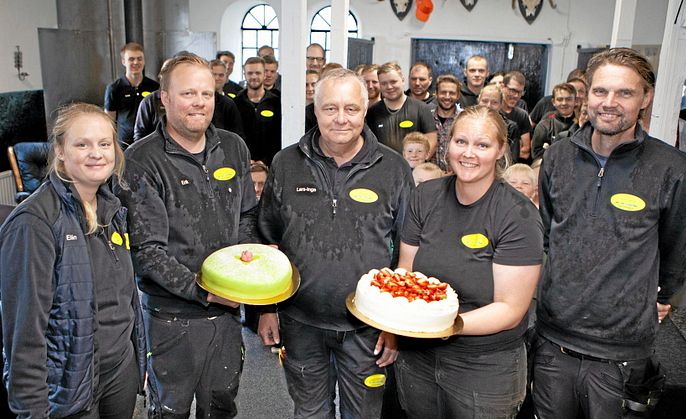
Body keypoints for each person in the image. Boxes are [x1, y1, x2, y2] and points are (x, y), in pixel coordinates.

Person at [533, 48, 686, 419]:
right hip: (553, 342)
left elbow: (678, 248)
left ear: (646, 98)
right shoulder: (558, 157)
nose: (609, 103)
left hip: (621, 354)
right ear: (587, 95)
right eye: (600, 91)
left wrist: (659, 297)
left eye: (624, 93)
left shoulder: (672, 168)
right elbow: (548, 233)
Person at [257, 68, 413, 418]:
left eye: (351, 108)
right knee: (310, 413)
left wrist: (394, 327)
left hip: (369, 329)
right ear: (315, 109)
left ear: (365, 109)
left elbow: (408, 254)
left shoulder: (394, 169)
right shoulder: (286, 163)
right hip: (300, 322)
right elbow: (268, 240)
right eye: (330, 108)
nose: (341, 119)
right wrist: (266, 309)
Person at [118, 53, 258, 418]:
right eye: (188, 93)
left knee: (221, 404)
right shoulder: (141, 160)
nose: (199, 102)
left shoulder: (233, 147)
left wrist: (246, 260)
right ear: (163, 98)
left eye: (207, 94)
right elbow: (147, 252)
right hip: (170, 318)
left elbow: (246, 214)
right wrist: (206, 291)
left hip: (226, 316)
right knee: (170, 411)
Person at [395, 105, 543, 418]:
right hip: (417, 356)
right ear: (448, 143)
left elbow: (511, 309)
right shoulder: (425, 197)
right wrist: (393, 324)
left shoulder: (517, 215)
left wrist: (442, 325)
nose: (469, 153)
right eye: (461, 142)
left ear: (501, 150)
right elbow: (405, 272)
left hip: (485, 367)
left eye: (482, 145)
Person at [1, 103, 146, 418]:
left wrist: (137, 361)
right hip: (69, 386)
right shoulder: (33, 223)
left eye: (104, 144)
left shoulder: (113, 209)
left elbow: (124, 297)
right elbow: (24, 337)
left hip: (120, 372)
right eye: (83, 144)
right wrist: (32, 411)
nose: (97, 153)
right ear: (60, 151)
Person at [366, 61, 437, 156]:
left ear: (403, 80)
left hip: (413, 168)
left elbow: (431, 139)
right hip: (382, 168)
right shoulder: (372, 112)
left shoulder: (421, 108)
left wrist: (420, 161)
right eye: (384, 83)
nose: (389, 87)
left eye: (393, 82)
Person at [104, 42, 160, 148]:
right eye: (131, 59)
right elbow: (108, 121)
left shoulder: (154, 87)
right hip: (124, 145)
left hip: (150, 144)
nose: (136, 62)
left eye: (139, 59)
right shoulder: (114, 88)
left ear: (144, 61)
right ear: (123, 61)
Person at [234, 57, 282, 165]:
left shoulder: (276, 102)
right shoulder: (236, 103)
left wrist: (265, 161)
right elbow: (235, 135)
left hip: (270, 164)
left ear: (264, 74)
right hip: (243, 163)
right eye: (250, 73)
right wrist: (245, 160)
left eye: (258, 73)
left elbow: (278, 136)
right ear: (244, 74)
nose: (254, 77)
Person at [531, 83, 577, 160]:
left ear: (575, 101)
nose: (564, 103)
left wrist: (550, 149)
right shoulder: (544, 126)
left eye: (568, 99)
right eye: (560, 99)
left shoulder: (581, 126)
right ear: (553, 102)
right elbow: (536, 155)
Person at [478, 84, 520, 165]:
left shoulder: (510, 127)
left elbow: (512, 160)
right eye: (485, 101)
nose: (488, 105)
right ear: (478, 101)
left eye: (494, 102)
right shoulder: (469, 124)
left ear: (501, 104)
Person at [430, 74, 462, 172]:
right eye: (443, 92)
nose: (447, 97)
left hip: (455, 176)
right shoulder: (426, 116)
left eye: (451, 93)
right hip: (430, 177)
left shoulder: (464, 119)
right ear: (436, 93)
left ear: (458, 95)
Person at [500, 71, 532, 163]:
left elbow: (525, 149)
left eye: (520, 92)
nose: (516, 96)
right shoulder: (492, 111)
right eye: (512, 90)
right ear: (503, 87)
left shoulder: (522, 115)